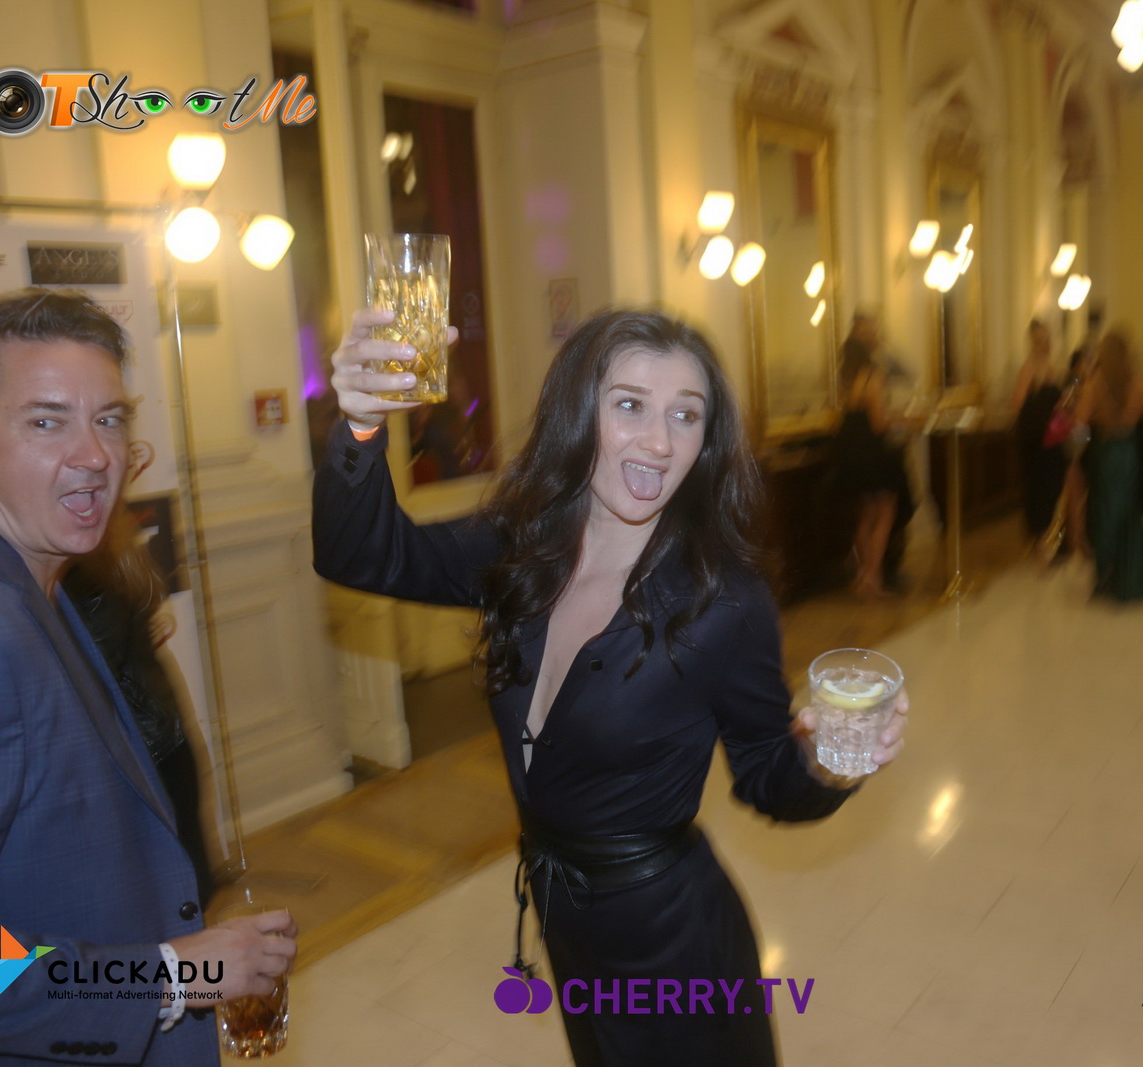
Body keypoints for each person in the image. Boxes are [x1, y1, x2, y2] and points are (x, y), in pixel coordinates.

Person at [313, 306, 906, 1065]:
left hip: (675, 945)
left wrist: (829, 762)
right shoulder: (521, 547)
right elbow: (359, 553)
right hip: (569, 922)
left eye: (685, 415)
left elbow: (767, 775)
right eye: (630, 405)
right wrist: (361, 423)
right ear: (578, 413)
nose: (659, 441)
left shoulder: (723, 602)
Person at [0, 289, 295, 1065]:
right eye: (45, 421)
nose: (95, 454)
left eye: (110, 418)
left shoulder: (22, 576)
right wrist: (167, 974)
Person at [64, 507, 218, 905]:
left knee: (156, 897)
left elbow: (94, 680)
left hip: (140, 754)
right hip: (165, 740)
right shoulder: (115, 547)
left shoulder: (81, 576)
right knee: (184, 881)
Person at [1074, 331, 1143, 601]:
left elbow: (1080, 425)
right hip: (1130, 454)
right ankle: (1132, 581)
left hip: (1105, 455)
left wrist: (1086, 444)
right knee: (1130, 514)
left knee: (1105, 514)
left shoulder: (1094, 385)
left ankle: (1105, 578)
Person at [835, 313, 911, 598]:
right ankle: (873, 578)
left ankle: (861, 576)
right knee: (886, 513)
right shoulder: (873, 374)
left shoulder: (846, 378)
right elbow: (879, 423)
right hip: (874, 452)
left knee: (865, 516)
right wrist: (901, 419)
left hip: (852, 452)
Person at [1010, 320, 1069, 543]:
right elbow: (1017, 402)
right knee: (1038, 490)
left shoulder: (1053, 367)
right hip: (1036, 440)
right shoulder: (1028, 369)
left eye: (1047, 340)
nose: (1046, 344)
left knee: (1053, 485)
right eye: (1041, 340)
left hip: (1054, 438)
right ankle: (1038, 539)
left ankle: (1048, 535)